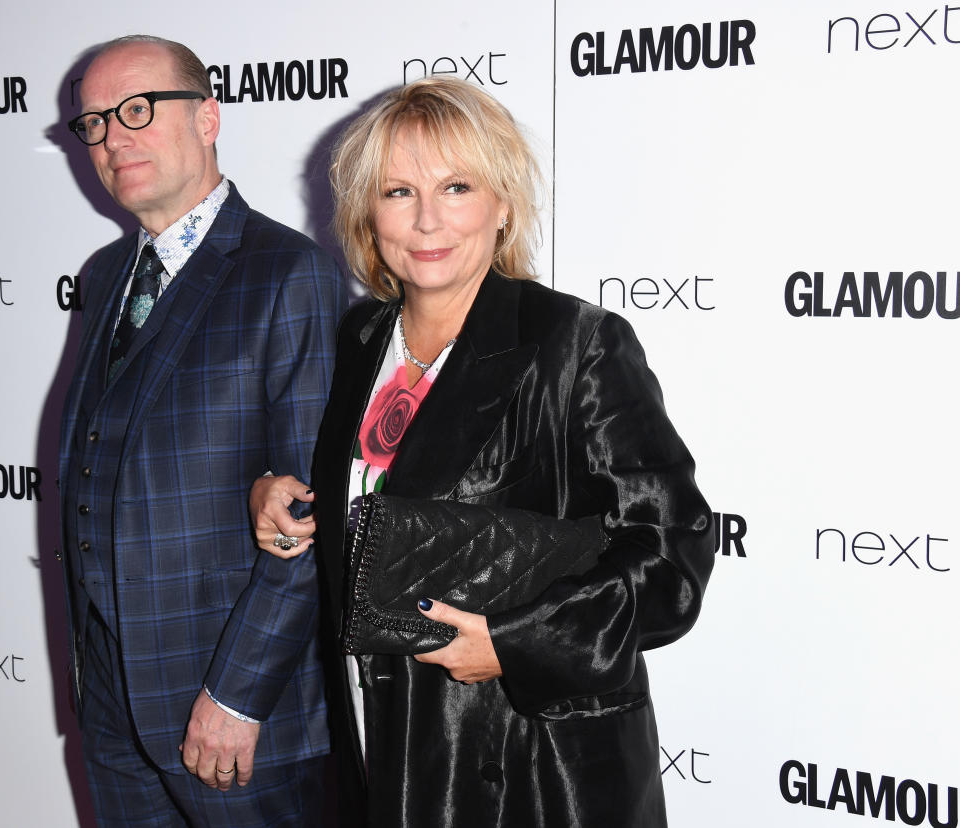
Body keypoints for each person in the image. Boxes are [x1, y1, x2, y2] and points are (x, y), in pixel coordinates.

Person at [250, 76, 714, 827]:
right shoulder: (360, 339)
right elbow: (376, 510)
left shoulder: (577, 345)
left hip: (527, 763)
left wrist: (515, 642)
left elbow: (672, 556)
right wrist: (284, 501)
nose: (427, 219)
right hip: (380, 746)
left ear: (501, 204)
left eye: (456, 186)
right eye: (398, 192)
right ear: (369, 214)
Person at [58, 35, 342, 827]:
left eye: (138, 110)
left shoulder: (289, 274)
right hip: (114, 702)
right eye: (94, 125)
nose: (113, 138)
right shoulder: (106, 277)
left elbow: (314, 514)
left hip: (231, 713)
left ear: (208, 117)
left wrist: (238, 694)